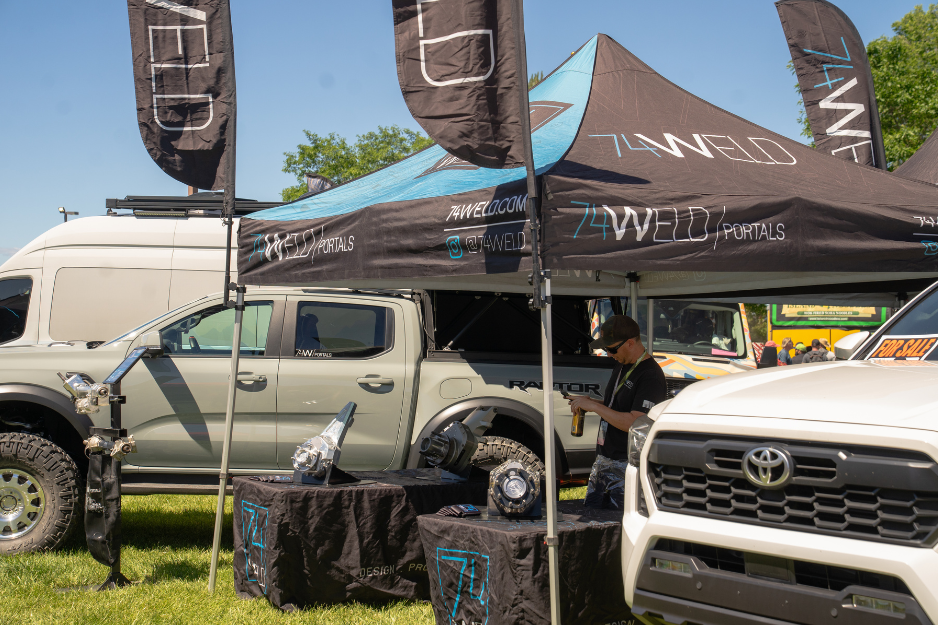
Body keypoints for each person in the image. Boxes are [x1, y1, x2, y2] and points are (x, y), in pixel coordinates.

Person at [569, 315, 667, 509]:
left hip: (626, 465)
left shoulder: (650, 376)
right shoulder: (622, 364)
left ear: (630, 343)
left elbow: (636, 422)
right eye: (606, 349)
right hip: (606, 459)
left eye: (612, 349)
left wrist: (596, 407)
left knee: (614, 525)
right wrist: (590, 402)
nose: (608, 354)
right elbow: (618, 405)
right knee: (592, 517)